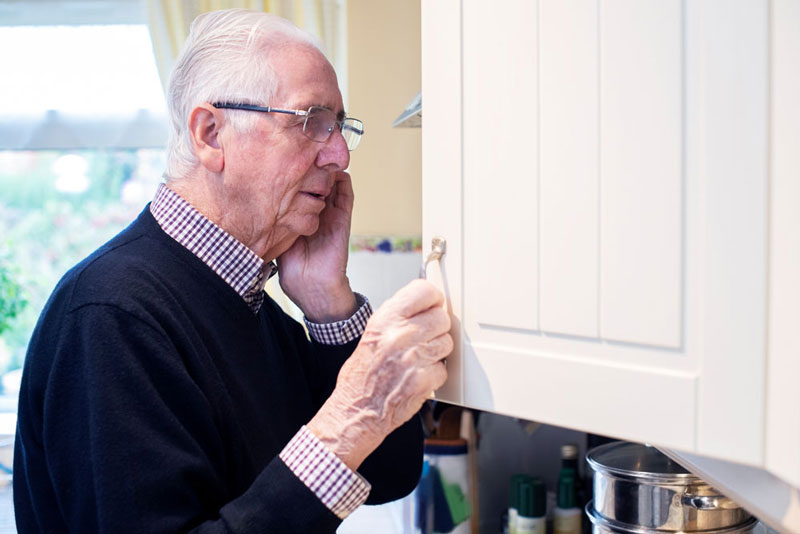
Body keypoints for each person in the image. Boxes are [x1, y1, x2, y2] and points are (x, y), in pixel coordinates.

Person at [13, 9, 451, 533]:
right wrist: (351, 416)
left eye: (338, 128)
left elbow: (390, 474)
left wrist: (327, 299)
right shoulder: (111, 316)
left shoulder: (250, 303)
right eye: (312, 121)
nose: (338, 155)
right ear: (211, 133)